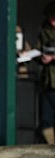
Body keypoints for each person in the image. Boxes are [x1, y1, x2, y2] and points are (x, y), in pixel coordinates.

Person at [37, 2, 55, 144]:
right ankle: (52, 149)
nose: (52, 22)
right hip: (48, 82)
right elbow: (39, 48)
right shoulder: (45, 30)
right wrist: (38, 56)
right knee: (46, 122)